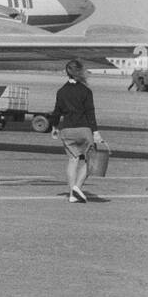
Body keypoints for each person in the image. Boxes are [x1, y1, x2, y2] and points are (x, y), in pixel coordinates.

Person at [48, 59, 105, 204]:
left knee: (72, 160)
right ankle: (77, 187)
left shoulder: (61, 91)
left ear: (67, 72)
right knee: (90, 160)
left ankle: (72, 193)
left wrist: (54, 127)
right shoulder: (86, 91)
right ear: (80, 72)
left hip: (67, 130)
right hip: (84, 129)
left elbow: (56, 112)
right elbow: (90, 112)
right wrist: (96, 132)